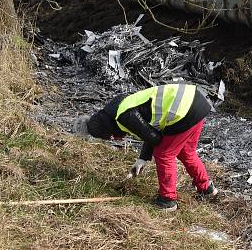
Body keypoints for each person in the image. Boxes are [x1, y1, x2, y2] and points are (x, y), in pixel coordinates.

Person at [73, 83, 217, 211]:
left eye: (110, 136)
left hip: (185, 110)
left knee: (164, 154)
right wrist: (142, 159)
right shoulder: (119, 105)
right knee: (186, 152)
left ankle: (168, 200)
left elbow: (155, 137)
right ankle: (206, 188)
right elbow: (152, 130)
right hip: (195, 101)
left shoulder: (124, 116)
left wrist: (144, 157)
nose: (115, 139)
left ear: (108, 129)